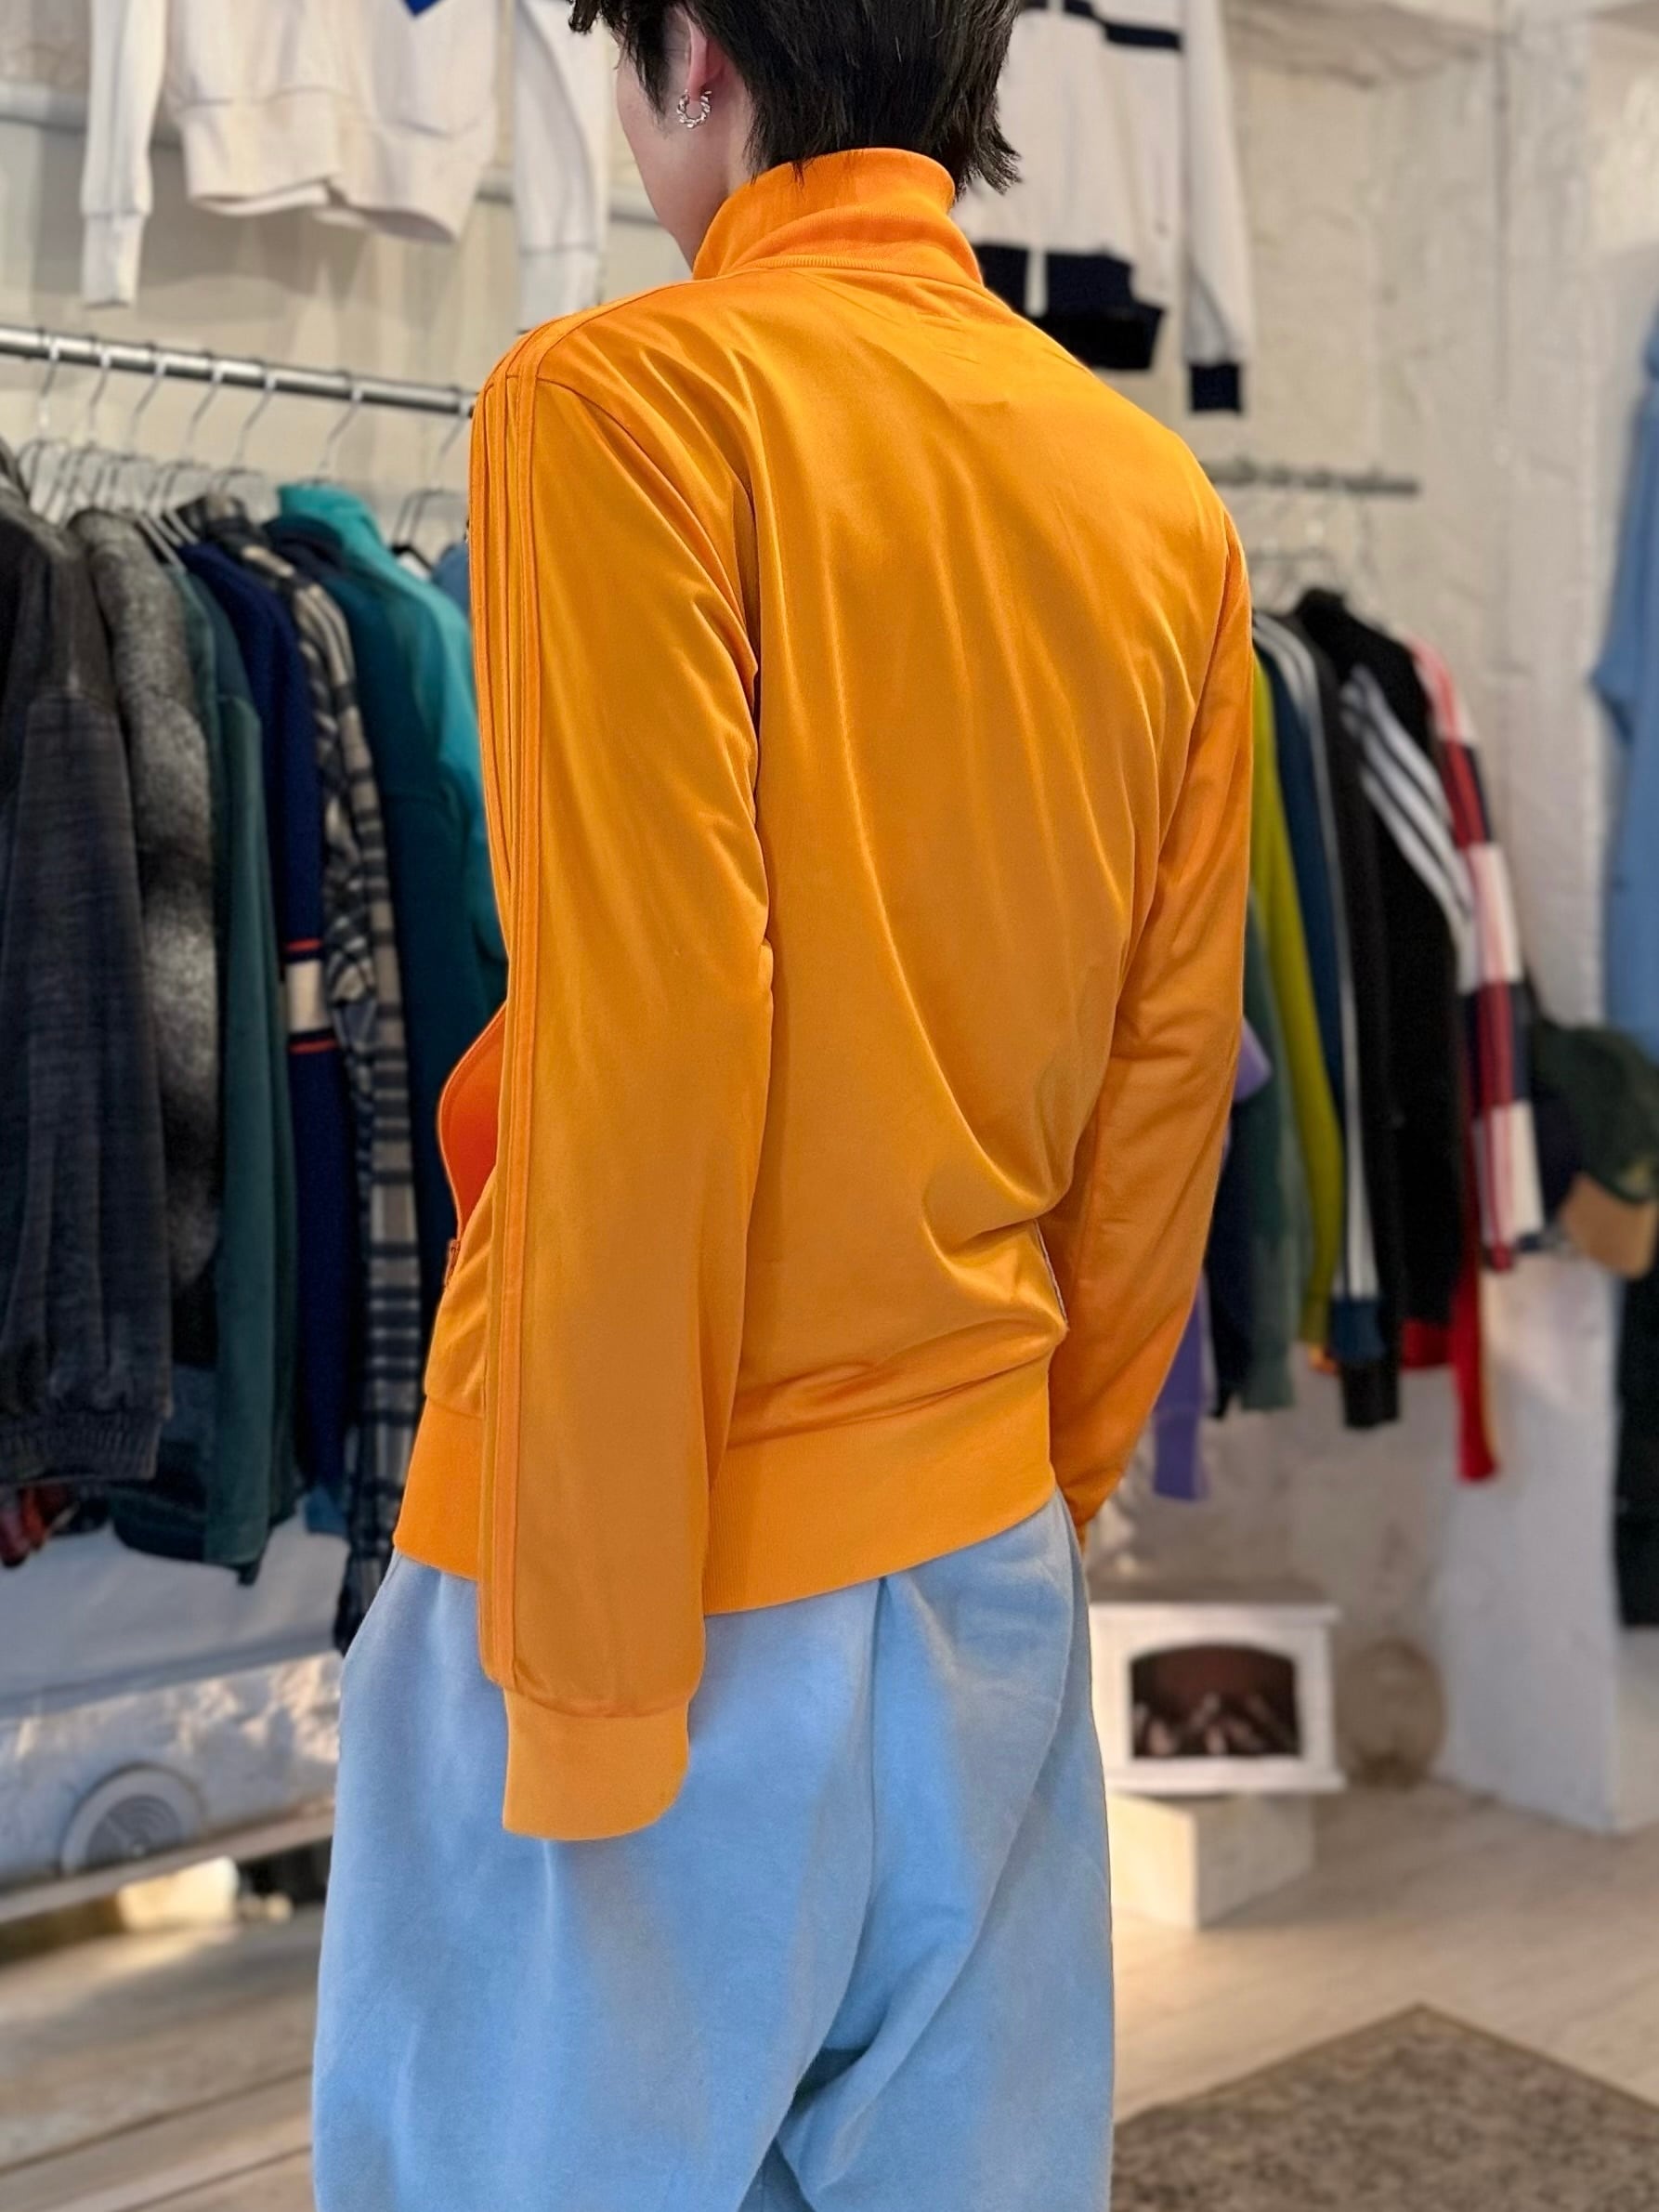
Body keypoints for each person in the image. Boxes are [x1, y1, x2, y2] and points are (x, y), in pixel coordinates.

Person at [313, 3, 1253, 2205]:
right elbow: (1162, 1087)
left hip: (652, 1550)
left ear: (696, 61)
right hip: (979, 1539)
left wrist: (589, 1676)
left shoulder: (619, 401)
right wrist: (1037, 1491)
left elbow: (647, 1038)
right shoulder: (1149, 494)